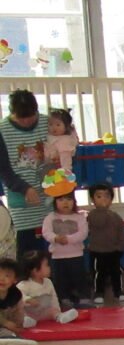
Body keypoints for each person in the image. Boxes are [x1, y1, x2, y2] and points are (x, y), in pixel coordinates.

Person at [0, 90, 49, 257]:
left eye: (31, 116)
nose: (28, 121)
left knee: (51, 244)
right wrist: (25, 188)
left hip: (50, 195)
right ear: (12, 113)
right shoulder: (2, 130)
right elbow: (4, 171)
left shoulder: (48, 123)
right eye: (22, 118)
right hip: (21, 199)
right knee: (27, 249)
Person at [41, 173, 89, 309]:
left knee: (79, 277)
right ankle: (64, 298)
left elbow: (83, 233)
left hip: (76, 255)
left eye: (69, 199)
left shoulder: (79, 217)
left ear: (74, 202)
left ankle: (84, 297)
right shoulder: (50, 217)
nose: (65, 202)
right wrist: (55, 238)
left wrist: (67, 239)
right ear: (55, 202)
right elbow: (46, 232)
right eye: (61, 200)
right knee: (60, 279)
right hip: (57, 256)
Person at [87, 182, 124, 304]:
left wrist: (122, 245)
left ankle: (118, 290)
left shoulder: (115, 216)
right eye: (99, 196)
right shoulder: (93, 214)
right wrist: (102, 209)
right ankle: (98, 292)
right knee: (99, 273)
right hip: (97, 251)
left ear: (111, 199)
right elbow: (99, 222)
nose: (103, 199)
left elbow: (121, 231)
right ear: (93, 200)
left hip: (113, 250)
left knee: (116, 272)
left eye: (106, 196)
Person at [16, 250, 78, 324]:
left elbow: (54, 298)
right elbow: (17, 296)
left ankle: (60, 317)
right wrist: (28, 299)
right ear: (35, 270)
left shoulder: (48, 282)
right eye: (47, 265)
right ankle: (26, 321)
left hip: (43, 313)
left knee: (52, 311)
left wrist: (57, 310)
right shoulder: (25, 284)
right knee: (21, 314)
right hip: (29, 314)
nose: (49, 268)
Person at [0, 256, 38, 345]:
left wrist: (17, 325)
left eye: (7, 276)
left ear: (15, 279)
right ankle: (7, 339)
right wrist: (5, 322)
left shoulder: (16, 294)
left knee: (9, 331)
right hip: (3, 324)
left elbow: (18, 311)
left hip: (5, 327)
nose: (2, 279)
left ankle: (11, 338)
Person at [44, 108, 78, 173]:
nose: (54, 127)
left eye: (58, 125)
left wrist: (66, 171)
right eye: (50, 124)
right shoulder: (49, 136)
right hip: (48, 167)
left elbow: (66, 159)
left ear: (66, 126)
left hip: (60, 170)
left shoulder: (65, 141)